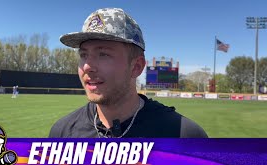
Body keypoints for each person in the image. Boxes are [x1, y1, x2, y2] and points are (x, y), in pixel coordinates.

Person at [49, 8, 208, 138]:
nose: (87, 66)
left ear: (136, 67)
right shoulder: (62, 133)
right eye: (83, 55)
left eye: (103, 54)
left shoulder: (184, 136)